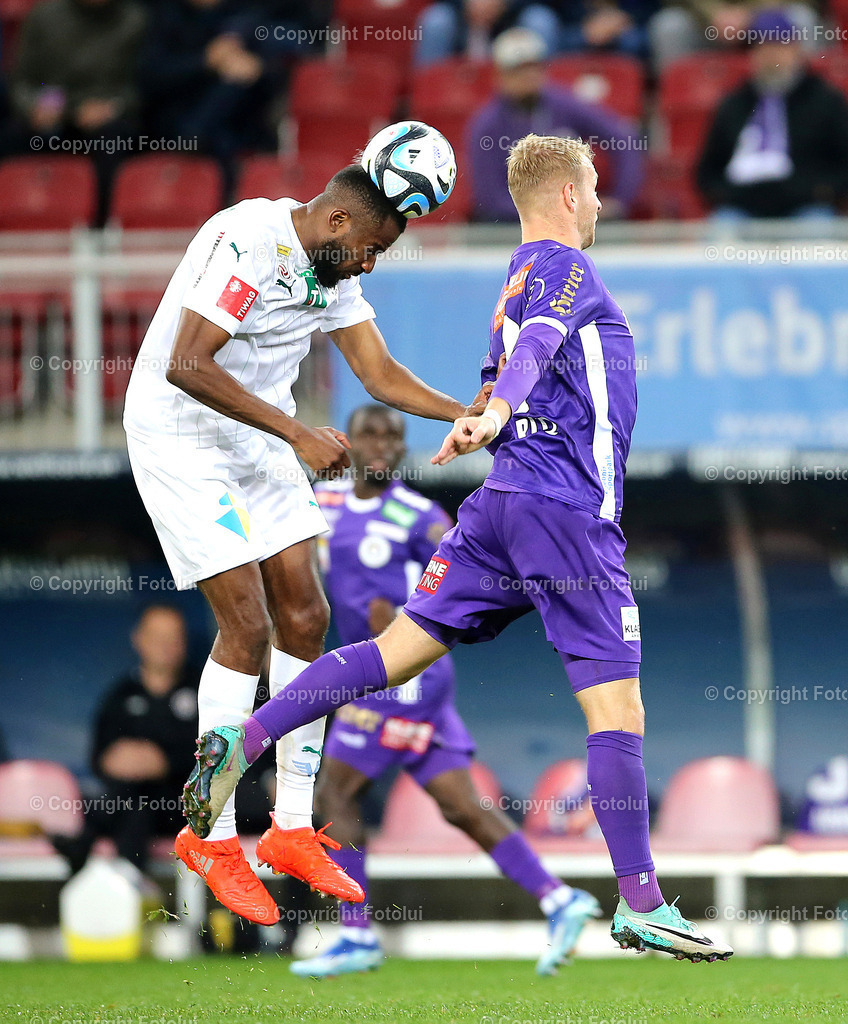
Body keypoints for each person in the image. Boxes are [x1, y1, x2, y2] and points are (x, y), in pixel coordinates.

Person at [183, 132, 735, 963]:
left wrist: (483, 421)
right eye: (590, 189)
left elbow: (514, 371)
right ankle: (641, 902)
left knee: (393, 654)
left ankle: (246, 739)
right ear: (571, 196)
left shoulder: (512, 285)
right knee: (618, 711)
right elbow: (534, 360)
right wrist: (500, 412)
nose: (595, 203)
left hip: (502, 507)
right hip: (569, 516)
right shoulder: (567, 271)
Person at [123, 161, 491, 928]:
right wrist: (296, 432)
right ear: (338, 223)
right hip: (184, 435)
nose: (369, 265)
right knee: (248, 626)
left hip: (259, 437)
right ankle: (212, 837)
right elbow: (187, 364)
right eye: (370, 251)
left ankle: (290, 827)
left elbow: (380, 373)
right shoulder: (247, 239)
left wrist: (467, 413)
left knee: (305, 615)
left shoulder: (334, 273)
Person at [287, 403, 600, 977]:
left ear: (403, 449)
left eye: (393, 436)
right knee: (462, 807)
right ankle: (560, 899)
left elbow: (468, 558)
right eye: (370, 434)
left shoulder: (417, 515)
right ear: (349, 443)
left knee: (335, 792)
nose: (381, 444)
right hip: (379, 675)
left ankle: (356, 934)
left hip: (407, 680)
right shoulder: (324, 502)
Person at [52, 606, 198, 875]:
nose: (165, 646)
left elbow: (223, 751)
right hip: (131, 803)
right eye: (157, 637)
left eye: (173, 638)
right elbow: (99, 756)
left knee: (134, 803)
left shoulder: (204, 690)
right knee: (134, 804)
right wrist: (112, 761)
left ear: (185, 643)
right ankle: (132, 890)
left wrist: (165, 762)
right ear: (138, 639)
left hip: (186, 805)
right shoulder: (120, 696)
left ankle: (85, 842)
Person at [468, 28, 644, 222]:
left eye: (534, 67)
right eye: (518, 70)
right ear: (500, 76)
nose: (528, 76)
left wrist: (620, 201)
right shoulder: (487, 126)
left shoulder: (563, 104)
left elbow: (622, 139)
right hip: (514, 225)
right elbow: (490, 198)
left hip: (571, 217)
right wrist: (547, 214)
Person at [696, 8, 848, 220]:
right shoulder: (734, 102)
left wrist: (821, 192)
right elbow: (707, 170)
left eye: (779, 45)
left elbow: (843, 163)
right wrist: (726, 195)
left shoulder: (825, 100)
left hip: (807, 207)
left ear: (796, 48)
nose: (771, 54)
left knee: (817, 230)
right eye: (763, 45)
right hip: (742, 209)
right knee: (723, 230)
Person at [10, 0, 147, 222]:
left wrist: (113, 106)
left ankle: (101, 229)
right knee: (16, 137)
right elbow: (22, 81)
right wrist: (34, 105)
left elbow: (145, 84)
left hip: (108, 116)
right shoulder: (43, 17)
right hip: (51, 110)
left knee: (112, 140)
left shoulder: (136, 19)